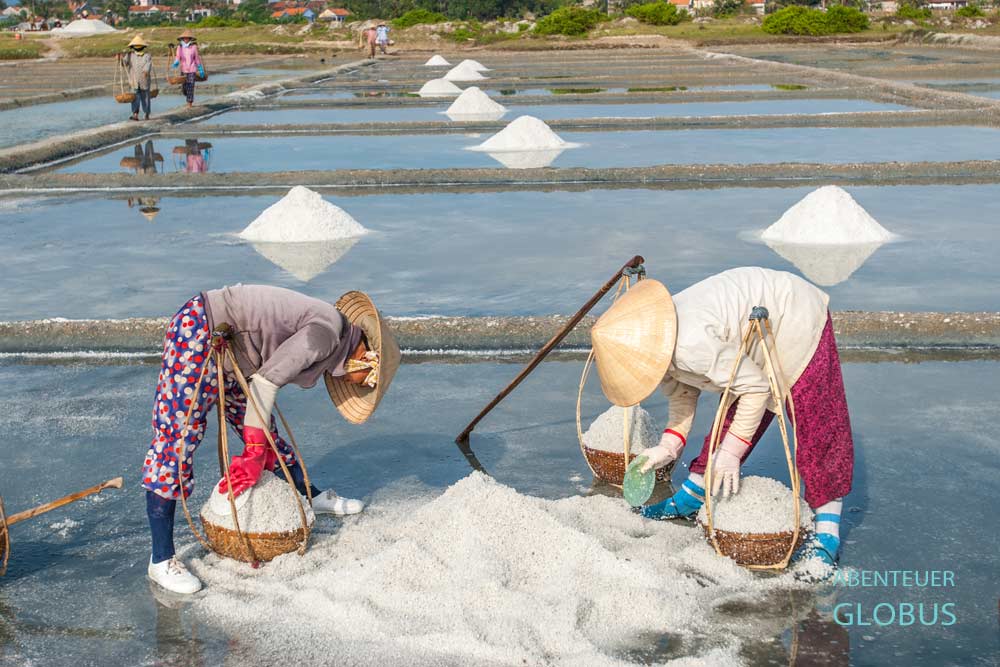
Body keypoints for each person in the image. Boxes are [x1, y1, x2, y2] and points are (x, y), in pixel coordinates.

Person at [143, 285, 401, 594]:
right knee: (177, 440)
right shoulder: (327, 334)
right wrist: (253, 452)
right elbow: (266, 382)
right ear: (366, 358)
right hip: (200, 332)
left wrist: (258, 443)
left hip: (235, 350)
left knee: (265, 432)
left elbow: (262, 383)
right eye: (368, 381)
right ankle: (161, 559)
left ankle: (309, 496)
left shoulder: (334, 333)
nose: (356, 384)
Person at [592, 267, 853, 569]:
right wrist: (668, 447)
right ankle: (695, 492)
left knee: (817, 421)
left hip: (793, 315)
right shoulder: (654, 349)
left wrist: (730, 453)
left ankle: (827, 529)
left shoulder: (690, 344)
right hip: (754, 329)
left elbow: (755, 387)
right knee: (737, 416)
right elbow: (681, 394)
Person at [119, 34, 154, 121]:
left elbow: (148, 64)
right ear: (133, 47)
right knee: (134, 98)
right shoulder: (130, 55)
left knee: (145, 98)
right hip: (133, 80)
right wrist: (120, 59)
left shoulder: (147, 55)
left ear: (142, 47)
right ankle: (135, 114)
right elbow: (124, 63)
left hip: (144, 80)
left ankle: (146, 113)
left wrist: (146, 71)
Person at [172, 29, 204, 108]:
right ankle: (186, 95)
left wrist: (200, 68)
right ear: (182, 39)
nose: (186, 39)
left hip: (192, 69)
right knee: (184, 88)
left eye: (187, 38)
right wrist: (176, 62)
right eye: (184, 38)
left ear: (190, 39)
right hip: (183, 69)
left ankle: (189, 103)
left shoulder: (193, 47)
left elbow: (196, 58)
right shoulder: (180, 47)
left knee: (191, 86)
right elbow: (177, 56)